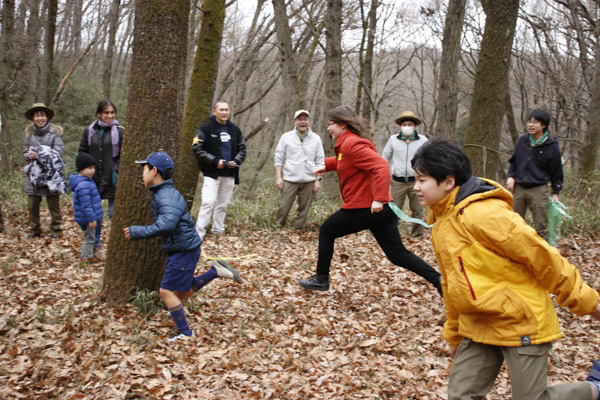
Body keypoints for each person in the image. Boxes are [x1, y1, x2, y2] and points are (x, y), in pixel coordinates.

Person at [411, 136, 600, 400]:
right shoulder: (442, 222)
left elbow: (543, 257)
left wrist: (588, 302)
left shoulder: (486, 214)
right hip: (479, 324)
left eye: (422, 180)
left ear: (448, 182)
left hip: (520, 321)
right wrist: (453, 335)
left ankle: (593, 389)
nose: (416, 188)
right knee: (461, 395)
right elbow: (451, 285)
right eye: (415, 179)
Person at [298, 106, 442, 295]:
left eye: (330, 124)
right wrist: (323, 165)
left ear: (342, 124)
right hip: (380, 211)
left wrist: (379, 199)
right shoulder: (347, 144)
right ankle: (439, 281)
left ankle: (321, 279)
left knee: (326, 231)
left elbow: (381, 165)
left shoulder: (351, 143)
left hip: (366, 207)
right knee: (397, 255)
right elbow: (344, 160)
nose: (328, 128)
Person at [124, 151, 243, 342]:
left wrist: (137, 232)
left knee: (166, 291)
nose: (142, 173)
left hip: (183, 250)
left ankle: (186, 333)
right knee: (178, 293)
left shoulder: (166, 196)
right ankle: (215, 272)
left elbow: (167, 225)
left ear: (154, 171)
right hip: (184, 248)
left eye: (144, 169)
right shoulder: (164, 193)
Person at [192, 100, 246, 240]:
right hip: (211, 174)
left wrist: (237, 161)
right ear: (214, 111)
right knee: (207, 203)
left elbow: (242, 149)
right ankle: (199, 232)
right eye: (221, 110)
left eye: (226, 110)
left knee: (223, 205)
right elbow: (197, 148)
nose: (224, 112)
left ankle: (218, 231)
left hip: (229, 174)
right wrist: (215, 161)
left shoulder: (235, 129)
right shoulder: (205, 129)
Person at [507, 109, 563, 242]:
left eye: (535, 122)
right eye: (529, 122)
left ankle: (544, 258)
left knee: (541, 226)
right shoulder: (522, 141)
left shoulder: (551, 145)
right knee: (514, 223)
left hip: (538, 188)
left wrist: (556, 192)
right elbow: (514, 162)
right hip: (519, 187)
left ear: (543, 125)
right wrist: (510, 176)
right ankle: (515, 253)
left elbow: (556, 170)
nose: (531, 125)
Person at [79, 100, 124, 247]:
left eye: (112, 112)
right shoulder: (90, 130)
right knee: (95, 215)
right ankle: (95, 243)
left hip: (113, 179)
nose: (110, 115)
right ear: (99, 114)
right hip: (93, 178)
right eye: (106, 112)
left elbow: (124, 155)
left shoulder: (120, 131)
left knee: (115, 214)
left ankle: (118, 243)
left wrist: (115, 168)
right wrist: (86, 169)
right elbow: (82, 152)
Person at [274, 110, 325, 230]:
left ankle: (298, 231)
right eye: (300, 119)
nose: (303, 122)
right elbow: (279, 157)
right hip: (289, 179)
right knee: (284, 207)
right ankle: (278, 229)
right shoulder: (286, 137)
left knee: (304, 209)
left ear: (309, 121)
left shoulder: (316, 139)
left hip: (309, 180)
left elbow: (320, 161)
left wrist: (318, 180)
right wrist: (278, 177)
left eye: (305, 119)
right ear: (295, 121)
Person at [381, 111, 428, 239]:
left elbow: (429, 158)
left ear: (415, 126)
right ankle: (391, 236)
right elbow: (384, 158)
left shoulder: (423, 140)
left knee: (417, 210)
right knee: (394, 211)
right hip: (397, 181)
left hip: (416, 181)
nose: (407, 126)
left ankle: (417, 236)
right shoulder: (393, 139)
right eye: (404, 124)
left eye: (410, 124)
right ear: (401, 126)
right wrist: (383, 175)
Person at [23, 103, 66, 239]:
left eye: (42, 115)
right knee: (32, 205)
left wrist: (39, 154)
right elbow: (25, 154)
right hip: (33, 176)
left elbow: (58, 154)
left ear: (47, 117)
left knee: (53, 205)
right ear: (33, 118)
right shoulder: (29, 135)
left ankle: (56, 230)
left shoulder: (55, 135)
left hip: (51, 176)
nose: (40, 118)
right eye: (37, 115)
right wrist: (29, 155)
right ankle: (35, 230)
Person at [69, 153, 104, 264]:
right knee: (89, 238)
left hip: (90, 216)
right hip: (87, 218)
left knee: (91, 237)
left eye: (93, 168)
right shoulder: (83, 185)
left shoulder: (87, 181)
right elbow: (86, 205)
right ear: (81, 170)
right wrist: (91, 219)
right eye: (89, 168)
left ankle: (90, 254)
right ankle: (87, 257)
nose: (92, 170)